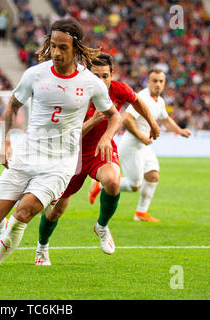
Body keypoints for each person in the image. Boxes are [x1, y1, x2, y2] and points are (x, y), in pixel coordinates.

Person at [0, 18, 122, 288]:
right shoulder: (35, 74)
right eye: (52, 46)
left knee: (24, 213)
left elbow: (114, 116)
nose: (56, 52)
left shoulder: (90, 83)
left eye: (62, 47)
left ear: (75, 48)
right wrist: (4, 142)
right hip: (27, 155)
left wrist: (108, 138)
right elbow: (12, 107)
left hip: (60, 164)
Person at [35, 53, 160, 265]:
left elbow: (137, 102)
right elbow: (67, 135)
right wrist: (93, 122)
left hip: (101, 151)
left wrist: (152, 123)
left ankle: (101, 226)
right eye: (96, 76)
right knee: (57, 210)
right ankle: (42, 247)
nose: (100, 81)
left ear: (112, 75)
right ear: (86, 74)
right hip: (71, 156)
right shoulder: (74, 92)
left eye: (105, 76)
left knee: (112, 181)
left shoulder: (118, 89)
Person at [91, 68, 192, 222]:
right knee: (134, 185)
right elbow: (127, 119)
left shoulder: (160, 101)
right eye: (154, 81)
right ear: (148, 82)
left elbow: (165, 120)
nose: (158, 84)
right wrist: (142, 136)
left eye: (161, 81)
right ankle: (100, 185)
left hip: (144, 146)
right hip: (132, 144)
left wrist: (180, 130)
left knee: (153, 175)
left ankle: (141, 213)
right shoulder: (143, 97)